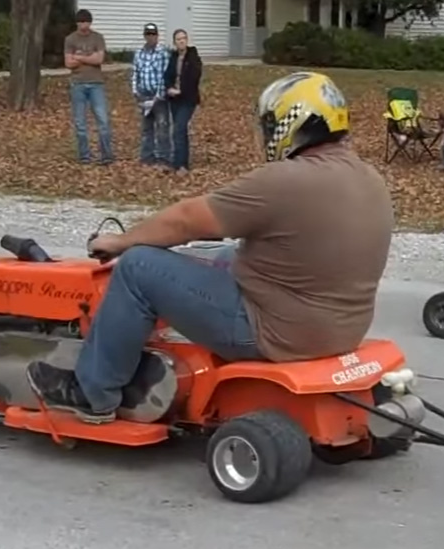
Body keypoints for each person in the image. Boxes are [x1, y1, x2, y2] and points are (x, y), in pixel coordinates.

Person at [26, 71, 395, 424]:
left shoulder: (284, 180)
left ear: (291, 123)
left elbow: (187, 220)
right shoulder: (370, 178)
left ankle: (94, 393)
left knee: (138, 266)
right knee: (214, 257)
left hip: (275, 332)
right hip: (341, 329)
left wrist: (122, 240)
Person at [64, 9, 114, 165]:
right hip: (77, 84)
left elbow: (99, 59)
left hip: (96, 84)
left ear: (90, 22)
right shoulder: (70, 39)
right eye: (80, 22)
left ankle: (106, 156)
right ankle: (84, 156)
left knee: (103, 120)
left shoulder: (97, 38)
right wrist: (88, 58)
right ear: (77, 23)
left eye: (86, 21)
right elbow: (68, 63)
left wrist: (78, 57)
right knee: (80, 122)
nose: (83, 25)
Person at [162, 29, 203, 175]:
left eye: (184, 38)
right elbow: (167, 76)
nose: (181, 41)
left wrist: (182, 91)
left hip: (188, 99)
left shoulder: (193, 57)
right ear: (174, 42)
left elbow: (195, 77)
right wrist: (169, 89)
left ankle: (180, 166)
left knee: (179, 128)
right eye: (178, 39)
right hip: (174, 99)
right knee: (181, 131)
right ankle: (180, 162)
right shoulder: (173, 57)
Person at [132, 22, 172, 167]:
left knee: (162, 127)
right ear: (144, 36)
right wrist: (135, 91)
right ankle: (147, 157)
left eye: (153, 34)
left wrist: (158, 95)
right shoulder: (139, 53)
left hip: (159, 97)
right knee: (146, 128)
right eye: (148, 34)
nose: (151, 37)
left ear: (157, 36)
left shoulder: (163, 53)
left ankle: (164, 158)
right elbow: (136, 73)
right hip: (144, 95)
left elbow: (165, 75)